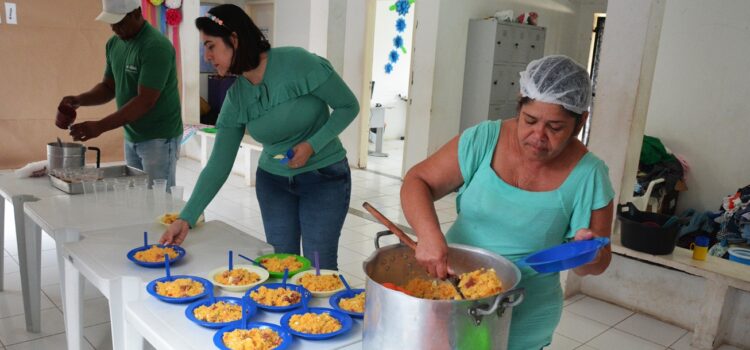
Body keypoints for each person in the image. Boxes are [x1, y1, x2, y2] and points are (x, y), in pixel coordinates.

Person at [400, 55, 614, 350]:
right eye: (530, 120)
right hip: (450, 295)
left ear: (580, 122)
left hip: (522, 316)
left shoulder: (589, 175)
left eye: (555, 127)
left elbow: (598, 265)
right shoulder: (484, 139)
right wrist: (428, 235)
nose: (538, 136)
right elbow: (417, 181)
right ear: (519, 104)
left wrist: (587, 254)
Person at [159, 4, 359, 270]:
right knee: (280, 267)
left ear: (234, 40)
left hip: (324, 178)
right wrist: (186, 218)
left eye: (210, 46)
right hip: (274, 184)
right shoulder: (236, 97)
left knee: (318, 267)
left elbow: (348, 106)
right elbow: (218, 164)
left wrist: (313, 145)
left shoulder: (298, 63)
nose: (206, 55)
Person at [60, 0, 182, 187]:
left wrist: (99, 126)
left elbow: (145, 101)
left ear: (136, 13)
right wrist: (78, 100)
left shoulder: (156, 47)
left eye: (119, 22)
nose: (114, 28)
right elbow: (108, 88)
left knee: (159, 202)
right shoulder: (114, 44)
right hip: (132, 134)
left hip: (159, 137)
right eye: (111, 22)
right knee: (137, 196)